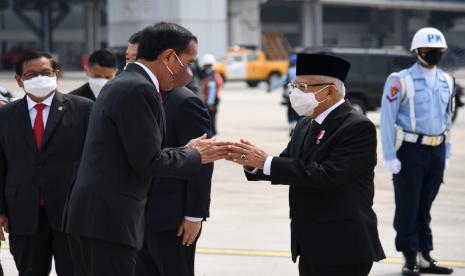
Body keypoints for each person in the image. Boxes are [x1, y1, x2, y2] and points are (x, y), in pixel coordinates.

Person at [65, 22, 227, 276]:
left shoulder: (123, 83)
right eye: (188, 61)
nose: (189, 71)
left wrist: (187, 151)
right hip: (110, 218)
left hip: (98, 216)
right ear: (168, 57)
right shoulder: (139, 89)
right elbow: (148, 160)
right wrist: (195, 154)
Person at [227, 53, 385, 276]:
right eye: (294, 85)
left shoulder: (357, 127)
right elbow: (287, 162)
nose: (295, 92)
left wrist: (266, 161)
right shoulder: (306, 123)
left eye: (303, 86)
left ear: (330, 90)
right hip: (310, 241)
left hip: (343, 244)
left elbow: (327, 175)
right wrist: (250, 161)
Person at [0, 51, 93, 276]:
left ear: (56, 75)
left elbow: (95, 161)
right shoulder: (6, 115)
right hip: (22, 214)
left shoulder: (84, 109)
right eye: (31, 75)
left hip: (71, 213)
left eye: (45, 73)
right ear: (19, 80)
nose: (39, 79)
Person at [380, 27, 455, 276]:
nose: (434, 54)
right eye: (429, 50)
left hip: (436, 150)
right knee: (408, 206)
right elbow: (387, 118)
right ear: (416, 51)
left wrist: (447, 151)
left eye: (438, 51)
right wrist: (389, 155)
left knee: (425, 206)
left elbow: (448, 119)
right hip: (410, 150)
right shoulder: (399, 80)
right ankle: (410, 256)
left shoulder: (447, 81)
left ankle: (425, 255)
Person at [136, 83, 213, 276]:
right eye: (127, 59)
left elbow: (202, 160)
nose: (130, 65)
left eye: (135, 58)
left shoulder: (184, 101)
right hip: (136, 214)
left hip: (172, 219)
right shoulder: (135, 98)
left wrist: (194, 214)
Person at [268, 53, 299, 136]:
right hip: (302, 95)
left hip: (291, 95)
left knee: (291, 111)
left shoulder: (290, 71)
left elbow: (281, 81)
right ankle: (299, 127)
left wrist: (270, 88)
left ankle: (292, 126)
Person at [200, 54, 222, 136]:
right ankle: (213, 131)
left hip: (212, 99)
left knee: (210, 116)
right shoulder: (214, 73)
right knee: (212, 116)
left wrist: (210, 102)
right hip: (214, 98)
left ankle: (212, 132)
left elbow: (212, 89)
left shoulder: (210, 75)